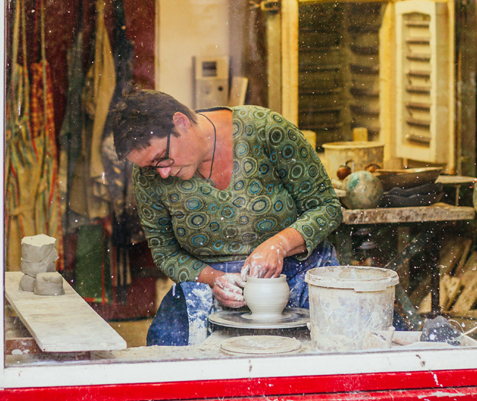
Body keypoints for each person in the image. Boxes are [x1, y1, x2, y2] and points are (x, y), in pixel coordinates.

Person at [109, 89, 341, 346]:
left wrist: (279, 245)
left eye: (161, 159)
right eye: (151, 167)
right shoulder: (149, 176)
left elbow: (327, 207)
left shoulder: (265, 129)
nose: (162, 173)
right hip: (212, 287)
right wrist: (213, 278)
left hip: (296, 275)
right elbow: (165, 254)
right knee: (168, 355)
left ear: (181, 122)